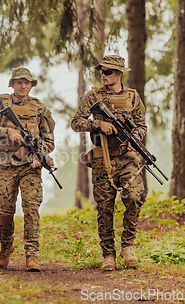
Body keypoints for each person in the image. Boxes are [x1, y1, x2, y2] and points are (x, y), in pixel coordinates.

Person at [71, 55, 147, 271]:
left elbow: (141, 125)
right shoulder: (92, 96)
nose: (103, 75)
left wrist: (137, 138)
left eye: (108, 72)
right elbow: (76, 123)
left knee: (134, 197)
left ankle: (128, 246)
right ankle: (108, 255)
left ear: (119, 74)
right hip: (102, 158)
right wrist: (98, 124)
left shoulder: (133, 96)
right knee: (104, 207)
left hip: (129, 158)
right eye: (102, 72)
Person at [0, 67, 55, 272]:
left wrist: (40, 157)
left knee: (31, 209)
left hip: (30, 167)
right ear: (12, 84)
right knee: (5, 211)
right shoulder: (0, 103)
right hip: (5, 164)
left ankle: (31, 255)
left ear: (31, 85)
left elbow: (49, 140)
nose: (23, 86)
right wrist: (8, 131)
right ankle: (5, 248)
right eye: (19, 82)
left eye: (27, 82)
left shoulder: (39, 108)